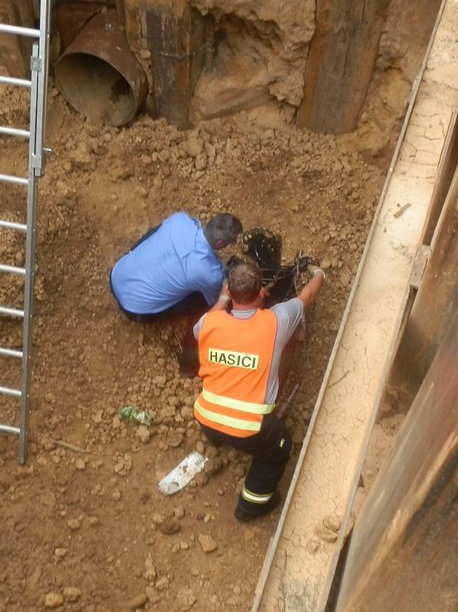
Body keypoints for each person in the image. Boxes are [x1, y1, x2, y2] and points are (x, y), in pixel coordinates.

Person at [192, 259, 325, 522]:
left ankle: (216, 439)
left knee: (217, 424)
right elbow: (307, 295)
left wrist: (222, 299)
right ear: (261, 291)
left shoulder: (208, 323)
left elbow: (207, 321)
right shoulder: (276, 321)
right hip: (250, 431)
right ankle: (251, 506)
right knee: (280, 447)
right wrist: (320, 273)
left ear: (229, 291)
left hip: (206, 416)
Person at [110, 212, 242, 321]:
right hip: (134, 310)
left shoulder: (180, 220)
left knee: (155, 234)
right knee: (204, 300)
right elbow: (215, 298)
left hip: (116, 274)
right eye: (230, 242)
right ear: (219, 244)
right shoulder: (211, 274)